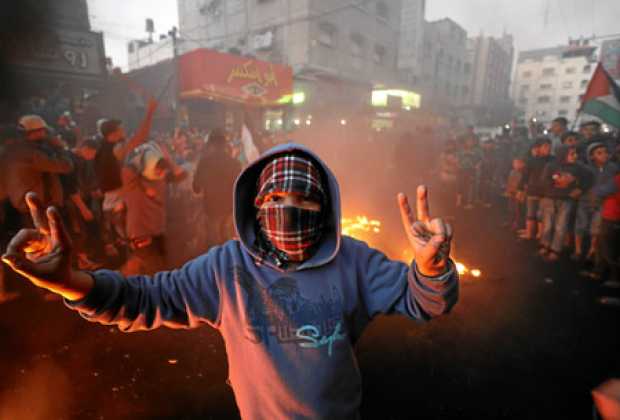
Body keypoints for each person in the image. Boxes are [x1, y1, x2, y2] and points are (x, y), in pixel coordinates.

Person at [2, 143, 458, 419]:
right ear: (256, 205)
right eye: (276, 197)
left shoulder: (353, 260)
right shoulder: (228, 268)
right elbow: (145, 299)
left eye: (304, 199)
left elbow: (424, 301)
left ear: (327, 210)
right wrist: (70, 282)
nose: (288, 209)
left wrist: (432, 267)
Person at [120, 140, 187, 275]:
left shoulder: (162, 178)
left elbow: (181, 174)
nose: (161, 172)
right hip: (140, 232)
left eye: (163, 170)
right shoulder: (131, 179)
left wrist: (168, 159)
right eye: (157, 169)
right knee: (150, 269)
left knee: (161, 266)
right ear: (146, 165)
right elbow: (125, 165)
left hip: (158, 230)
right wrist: (142, 156)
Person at [539, 145, 593, 262]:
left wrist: (580, 188)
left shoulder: (578, 167)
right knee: (547, 224)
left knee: (561, 226)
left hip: (566, 200)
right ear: (563, 154)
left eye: (575, 153)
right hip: (550, 198)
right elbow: (544, 181)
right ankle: (545, 245)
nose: (575, 156)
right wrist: (557, 185)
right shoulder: (551, 166)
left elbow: (589, 177)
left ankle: (555, 249)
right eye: (572, 154)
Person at [193, 129, 241, 247]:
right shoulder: (234, 163)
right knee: (229, 244)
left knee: (213, 244)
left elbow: (196, 187)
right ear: (225, 145)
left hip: (212, 208)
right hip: (230, 209)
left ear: (211, 144)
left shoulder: (204, 162)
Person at [574, 143, 618, 262]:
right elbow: (580, 182)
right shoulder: (586, 168)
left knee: (596, 228)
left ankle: (592, 250)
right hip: (585, 201)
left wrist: (599, 192)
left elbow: (614, 185)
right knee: (580, 226)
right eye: (599, 153)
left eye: (605, 152)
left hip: (601, 203)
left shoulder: (613, 168)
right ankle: (578, 250)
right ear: (592, 156)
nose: (604, 155)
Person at [517, 138, 553, 240]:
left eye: (549, 145)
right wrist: (520, 189)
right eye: (545, 146)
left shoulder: (554, 160)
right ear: (538, 148)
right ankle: (529, 233)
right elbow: (525, 176)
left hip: (546, 192)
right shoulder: (532, 161)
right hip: (533, 191)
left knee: (541, 215)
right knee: (531, 213)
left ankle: (539, 234)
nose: (548, 148)